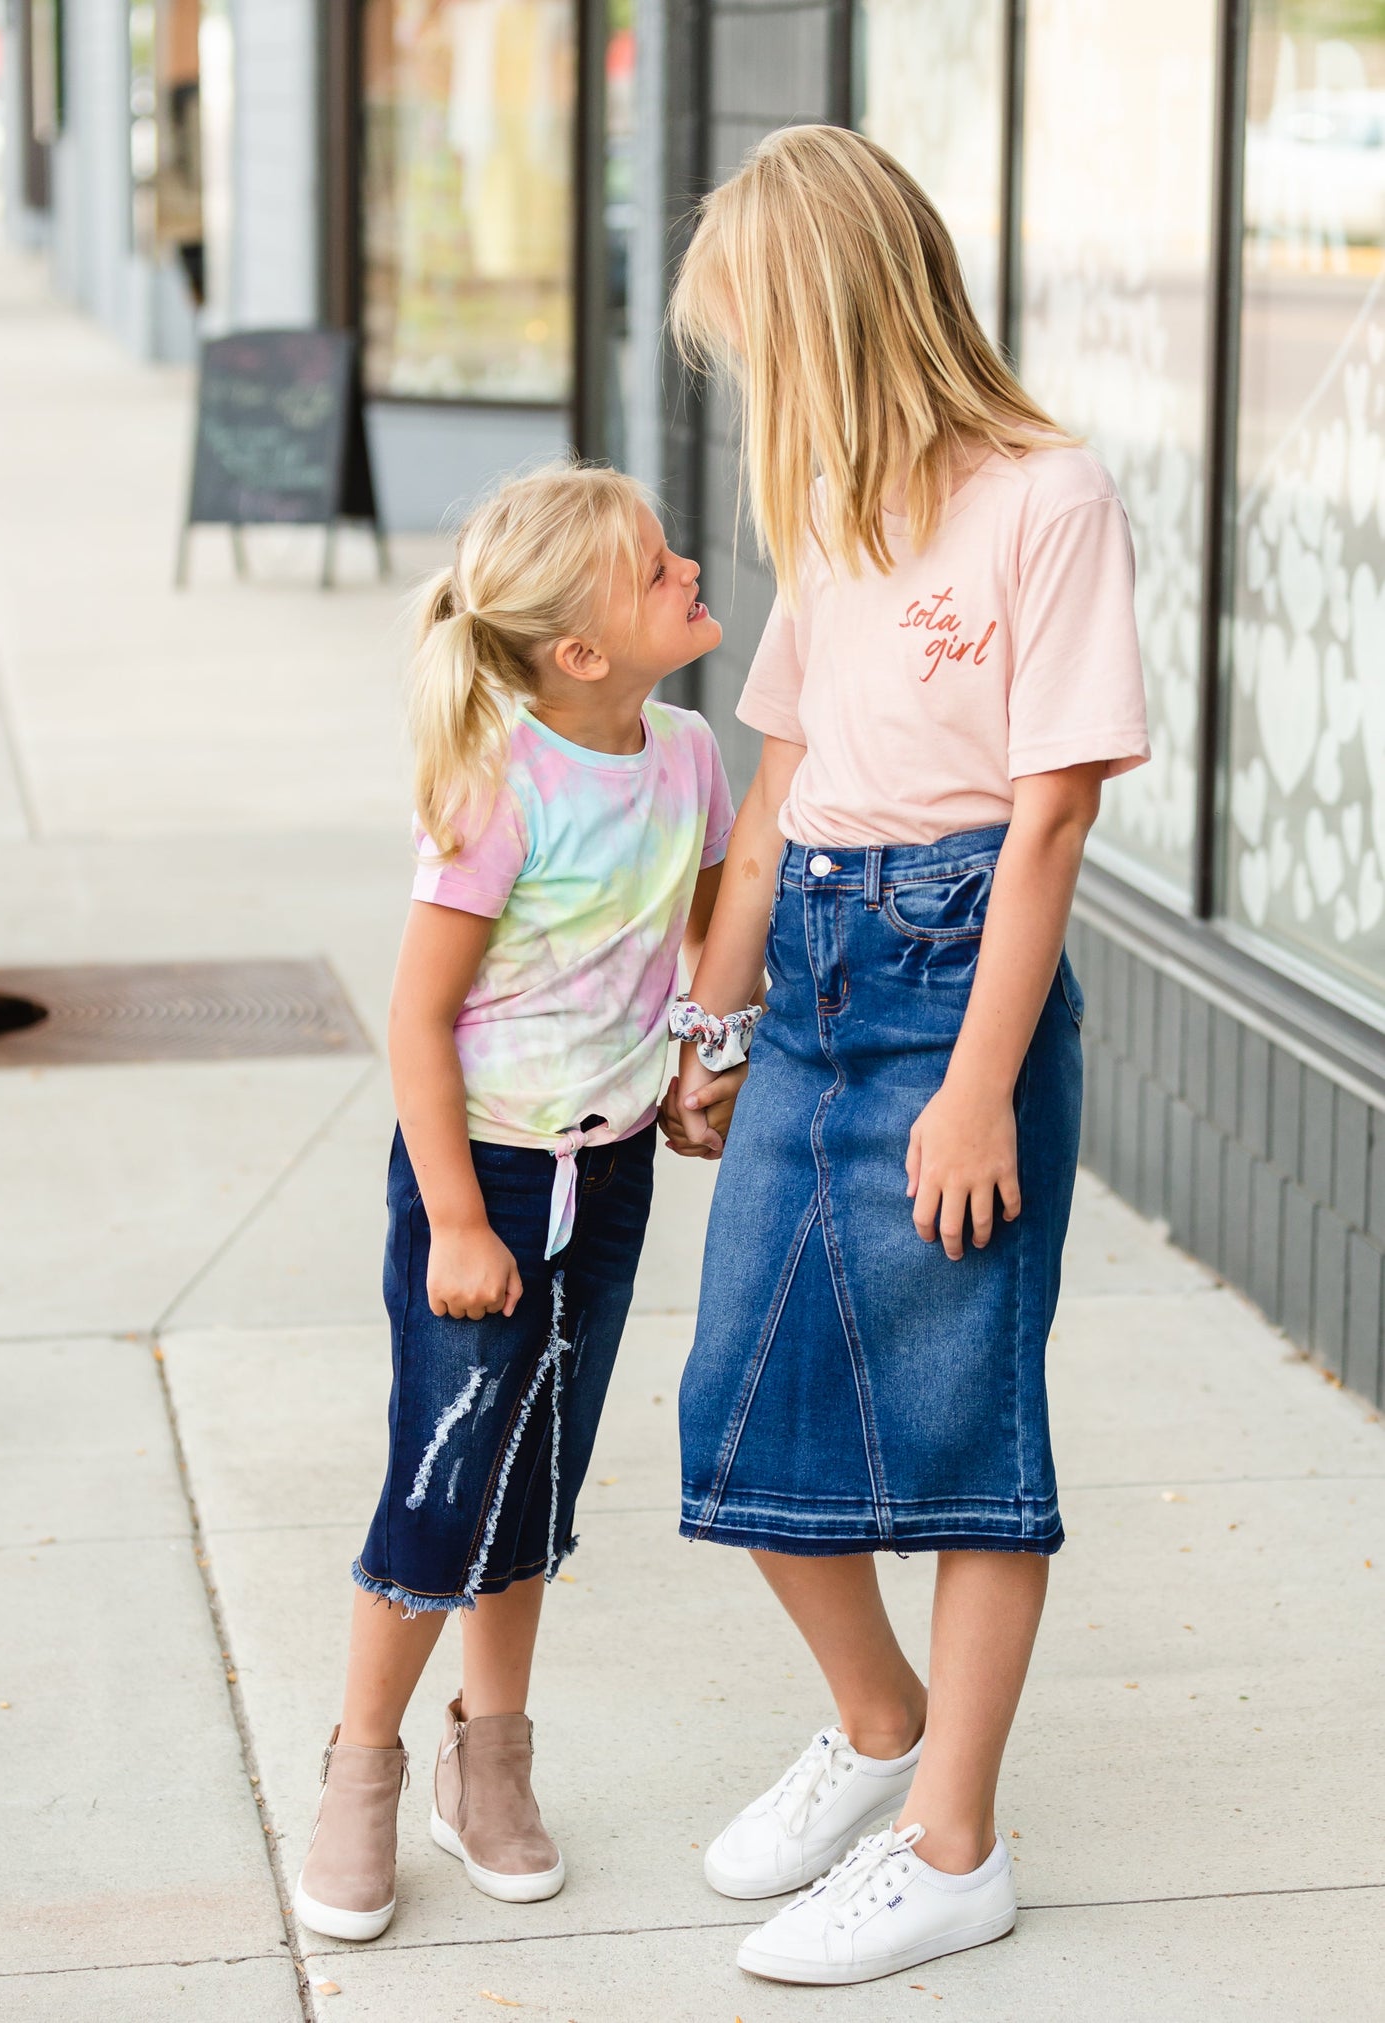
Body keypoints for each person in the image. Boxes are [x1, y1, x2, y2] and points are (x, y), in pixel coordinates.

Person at [660, 124, 1149, 1987]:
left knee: (958, 1424)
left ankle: (952, 1845)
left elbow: (1043, 828)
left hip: (962, 992)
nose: (753, 385)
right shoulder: (833, 503)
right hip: (816, 980)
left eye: (760, 342)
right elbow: (777, 796)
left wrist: (972, 1087)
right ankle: (878, 1732)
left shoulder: (1046, 498)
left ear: (835, 315)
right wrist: (715, 1020)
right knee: (737, 1396)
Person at [295, 464, 732, 1942]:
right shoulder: (502, 783)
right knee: (442, 1480)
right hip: (473, 1178)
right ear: (579, 653)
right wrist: (459, 1223)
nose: (689, 568)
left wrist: (695, 1060)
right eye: (654, 564)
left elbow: (703, 936)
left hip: (599, 1176)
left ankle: (492, 1761)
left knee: (533, 1486)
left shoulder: (687, 758)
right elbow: (417, 1018)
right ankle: (361, 1766)